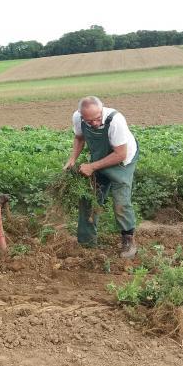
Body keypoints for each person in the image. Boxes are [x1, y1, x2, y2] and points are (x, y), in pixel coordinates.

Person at [63, 96, 139, 258]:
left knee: (121, 202)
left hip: (122, 162)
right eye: (89, 122)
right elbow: (79, 138)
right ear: (81, 115)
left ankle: (128, 240)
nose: (95, 124)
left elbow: (120, 154)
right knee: (89, 197)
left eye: (97, 119)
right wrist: (72, 160)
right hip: (100, 157)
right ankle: (86, 242)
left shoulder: (115, 120)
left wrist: (92, 166)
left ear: (102, 109)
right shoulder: (78, 118)